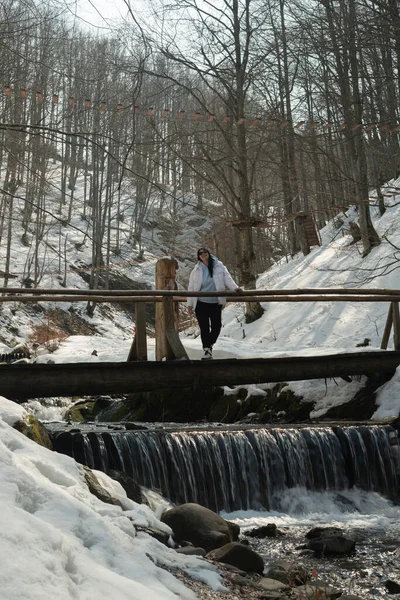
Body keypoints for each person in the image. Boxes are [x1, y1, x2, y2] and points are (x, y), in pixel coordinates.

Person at [187, 247, 242, 359]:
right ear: (199, 256)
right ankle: (207, 350)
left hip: (215, 302)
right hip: (201, 303)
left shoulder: (219, 266)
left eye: (205, 252)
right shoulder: (196, 270)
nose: (203, 254)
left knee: (216, 327)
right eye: (200, 253)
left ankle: (210, 343)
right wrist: (189, 304)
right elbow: (191, 287)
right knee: (204, 328)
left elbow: (228, 279)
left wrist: (235, 288)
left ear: (209, 253)